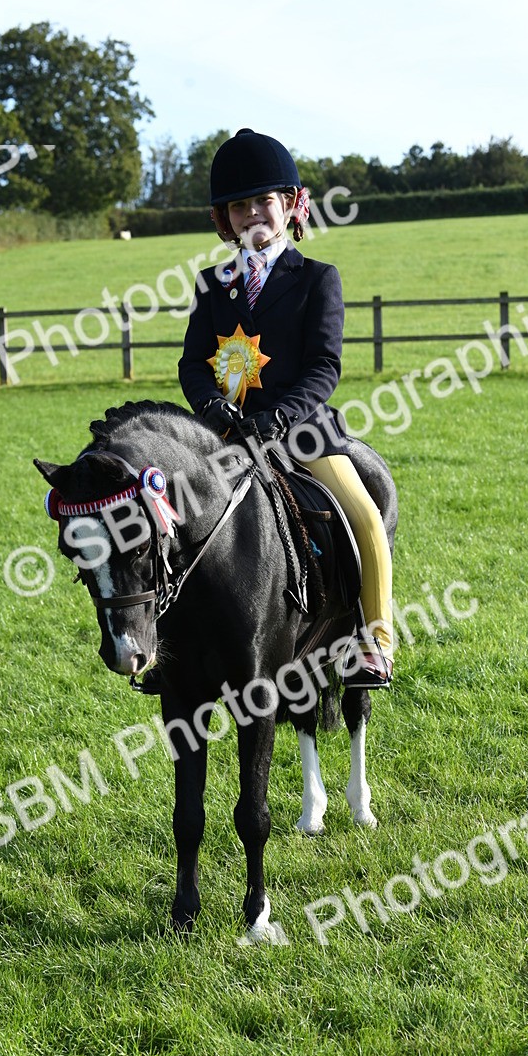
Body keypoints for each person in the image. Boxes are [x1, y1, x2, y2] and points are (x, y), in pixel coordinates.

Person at [178, 127, 394, 687]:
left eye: (264, 202)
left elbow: (325, 367)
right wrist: (210, 408)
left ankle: (376, 642)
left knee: (365, 516)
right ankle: (175, 642)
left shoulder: (318, 279)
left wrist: (278, 417)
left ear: (291, 205)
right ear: (224, 219)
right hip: (227, 436)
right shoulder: (211, 285)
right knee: (173, 517)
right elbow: (193, 365)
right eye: (240, 206)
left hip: (301, 433)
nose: (253, 214)